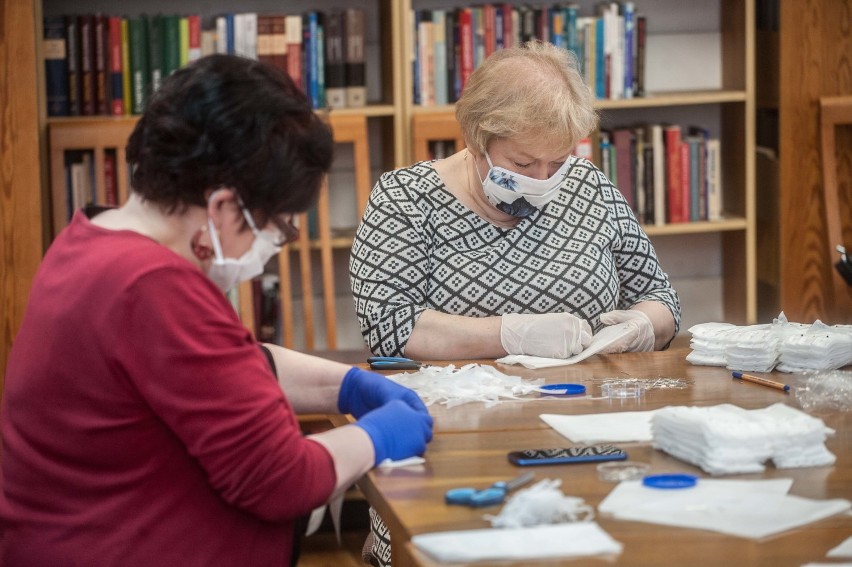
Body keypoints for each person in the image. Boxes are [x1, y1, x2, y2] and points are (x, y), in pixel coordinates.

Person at [0, 54, 432, 567]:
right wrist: (379, 435)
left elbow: (225, 368)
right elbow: (283, 480)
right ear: (225, 208)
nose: (276, 243)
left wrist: (349, 385)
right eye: (280, 227)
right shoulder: (153, 286)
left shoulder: (93, 236)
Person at [349, 41, 681, 566]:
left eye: (559, 160)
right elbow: (390, 327)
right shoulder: (404, 199)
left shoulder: (590, 188)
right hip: (456, 441)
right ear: (477, 139)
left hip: (587, 429)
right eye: (523, 162)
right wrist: (508, 333)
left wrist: (645, 322)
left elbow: (661, 297)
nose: (544, 179)